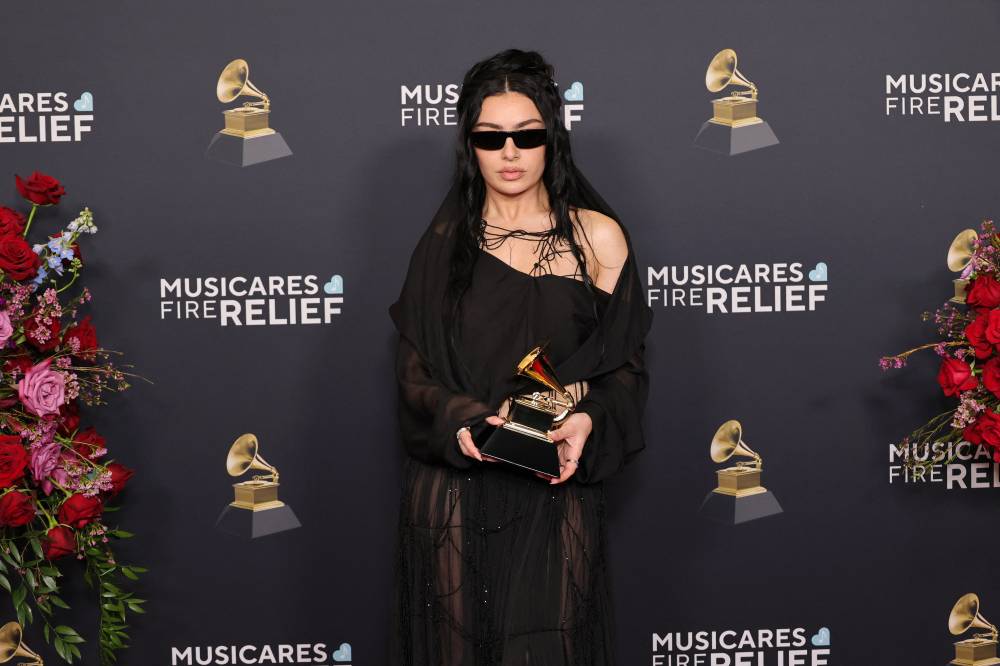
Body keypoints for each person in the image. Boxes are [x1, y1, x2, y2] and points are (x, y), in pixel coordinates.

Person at [387, 48, 654, 665]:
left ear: (551, 140)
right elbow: (413, 373)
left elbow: (626, 369)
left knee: (551, 648)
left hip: (556, 484)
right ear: (470, 145)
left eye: (526, 135)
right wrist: (464, 418)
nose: (509, 153)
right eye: (491, 137)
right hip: (457, 483)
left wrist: (587, 418)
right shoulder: (442, 247)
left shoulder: (598, 236)